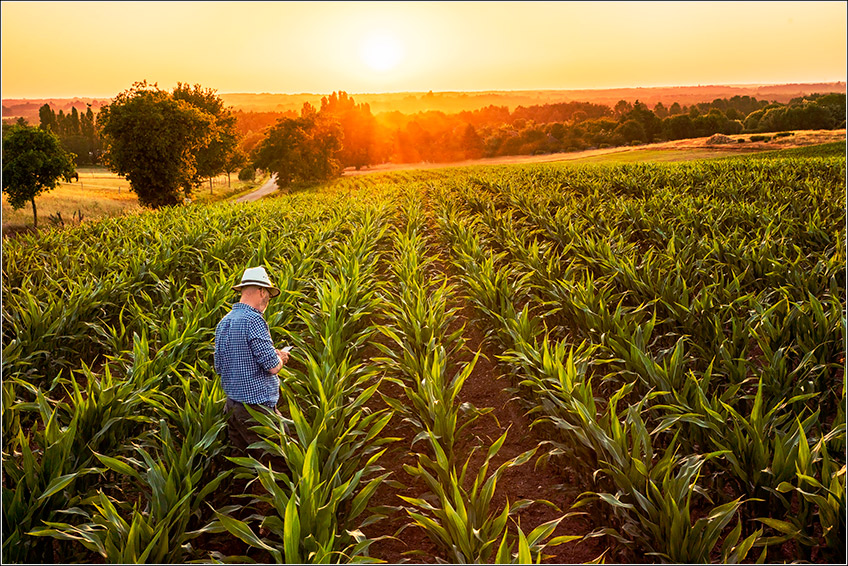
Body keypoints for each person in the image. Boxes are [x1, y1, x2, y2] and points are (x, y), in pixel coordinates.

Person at [214, 266, 291, 456]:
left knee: (245, 464)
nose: (267, 300)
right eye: (268, 295)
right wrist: (280, 357)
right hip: (256, 410)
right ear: (261, 290)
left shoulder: (224, 322)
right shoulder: (253, 320)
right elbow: (272, 367)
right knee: (281, 458)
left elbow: (219, 367)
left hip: (232, 407)